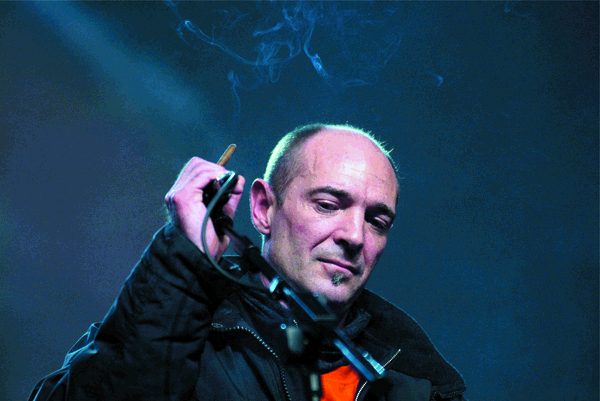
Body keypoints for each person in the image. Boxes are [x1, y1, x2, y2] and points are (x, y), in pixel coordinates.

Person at [29, 123, 467, 400]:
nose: (355, 236)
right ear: (262, 209)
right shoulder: (175, 330)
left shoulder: (415, 376)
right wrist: (182, 262)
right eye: (328, 204)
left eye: (377, 221)